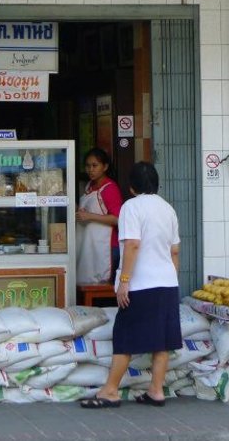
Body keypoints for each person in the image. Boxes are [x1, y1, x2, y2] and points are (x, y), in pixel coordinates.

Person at [81, 161, 181, 409]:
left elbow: (133, 245)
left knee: (124, 336)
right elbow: (175, 251)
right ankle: (156, 390)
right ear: (156, 184)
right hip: (167, 282)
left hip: (141, 283)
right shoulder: (168, 209)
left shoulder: (131, 207)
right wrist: (171, 279)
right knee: (161, 340)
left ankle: (110, 391)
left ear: (132, 187)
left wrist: (124, 281)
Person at [75, 148, 123, 284]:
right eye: (88, 166)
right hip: (89, 245)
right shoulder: (89, 186)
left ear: (105, 167)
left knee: (100, 284)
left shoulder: (110, 188)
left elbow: (117, 219)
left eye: (95, 165)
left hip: (106, 247)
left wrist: (89, 216)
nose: (90, 170)